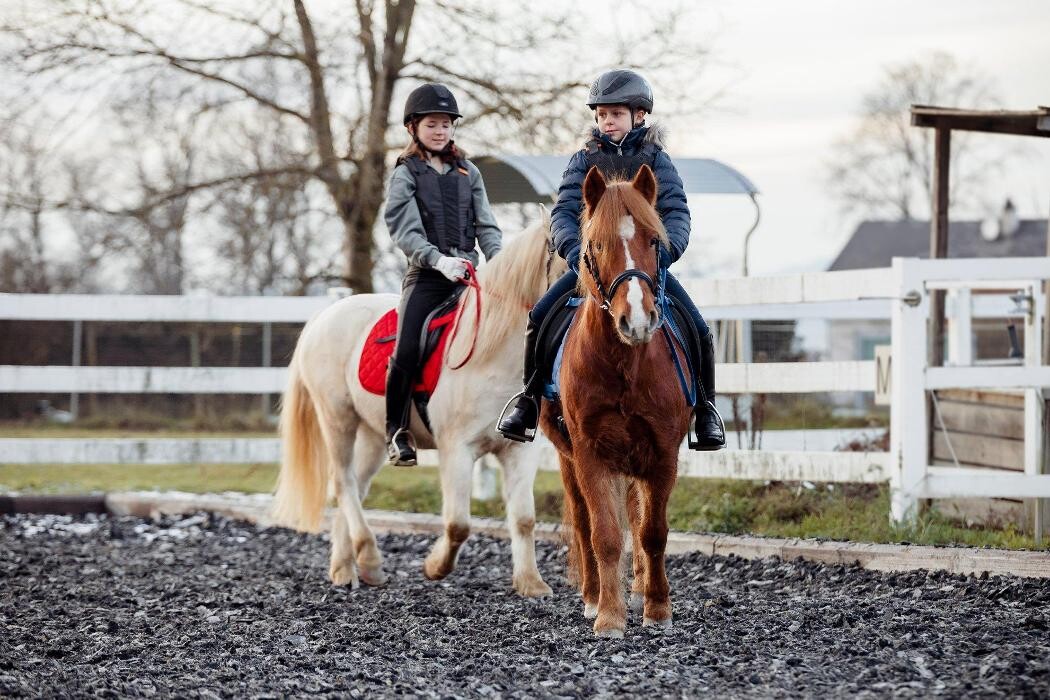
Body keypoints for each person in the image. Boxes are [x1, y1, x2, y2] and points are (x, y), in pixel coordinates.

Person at [497, 69, 725, 450]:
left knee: (699, 328)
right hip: (596, 270)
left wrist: (663, 255)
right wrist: (576, 254)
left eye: (615, 114)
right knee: (538, 318)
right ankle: (528, 400)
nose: (607, 121)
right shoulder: (584, 159)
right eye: (601, 115)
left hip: (648, 270)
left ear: (639, 115)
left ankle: (705, 410)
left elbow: (677, 212)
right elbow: (564, 213)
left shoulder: (657, 160)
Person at [383, 83, 503, 465]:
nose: (440, 131)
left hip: (469, 276)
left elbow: (487, 225)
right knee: (408, 348)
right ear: (413, 128)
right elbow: (404, 229)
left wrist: (498, 263)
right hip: (428, 278)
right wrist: (436, 260)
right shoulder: (406, 174)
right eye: (432, 124)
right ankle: (397, 431)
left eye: (447, 124)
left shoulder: (469, 172)